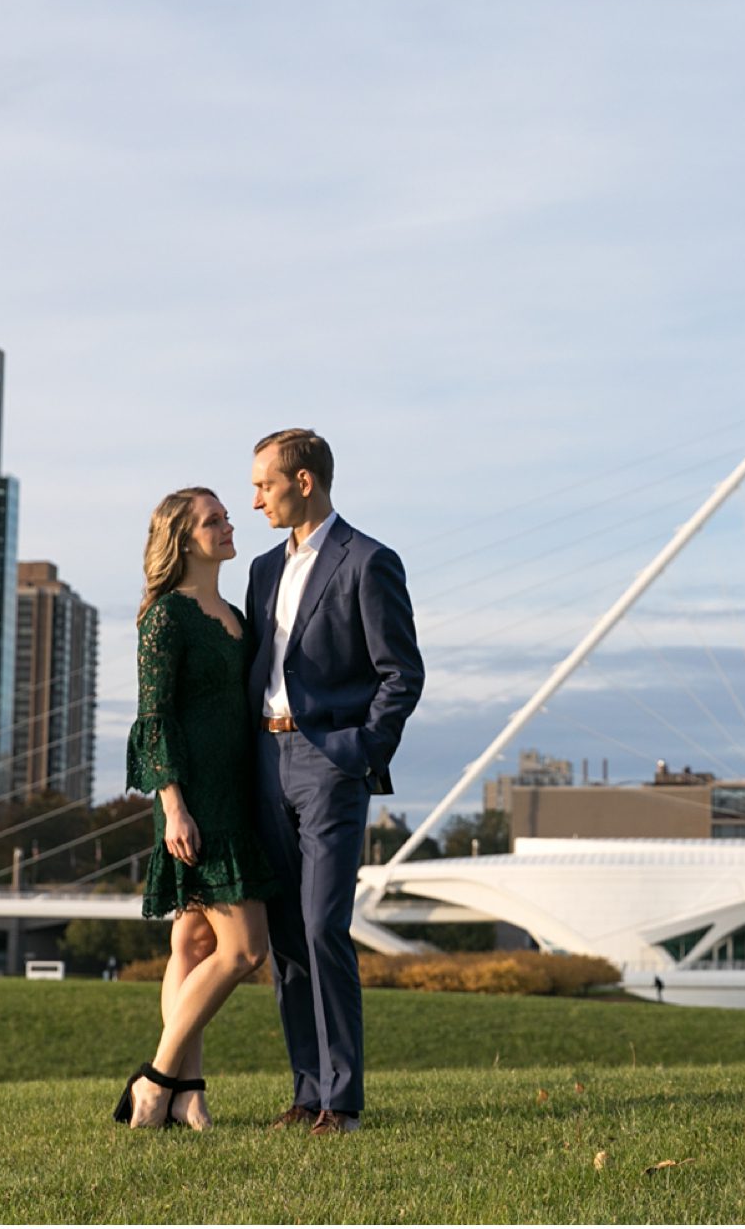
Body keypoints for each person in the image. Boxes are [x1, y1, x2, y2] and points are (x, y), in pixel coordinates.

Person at [247, 428, 424, 1135]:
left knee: (324, 925)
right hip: (265, 761)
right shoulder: (262, 568)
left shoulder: (368, 560)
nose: (255, 497)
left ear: (305, 481)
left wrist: (357, 750)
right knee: (287, 934)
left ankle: (342, 1101)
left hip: (329, 764)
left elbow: (401, 674)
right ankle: (306, 1089)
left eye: (266, 483)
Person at [115, 487, 279, 1130]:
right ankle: (156, 1083)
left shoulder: (236, 612)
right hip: (195, 799)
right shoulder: (166, 618)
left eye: (226, 516)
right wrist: (174, 806)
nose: (228, 525)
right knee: (244, 950)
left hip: (239, 791)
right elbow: (153, 718)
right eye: (213, 521)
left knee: (193, 938)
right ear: (184, 540)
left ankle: (189, 1093)